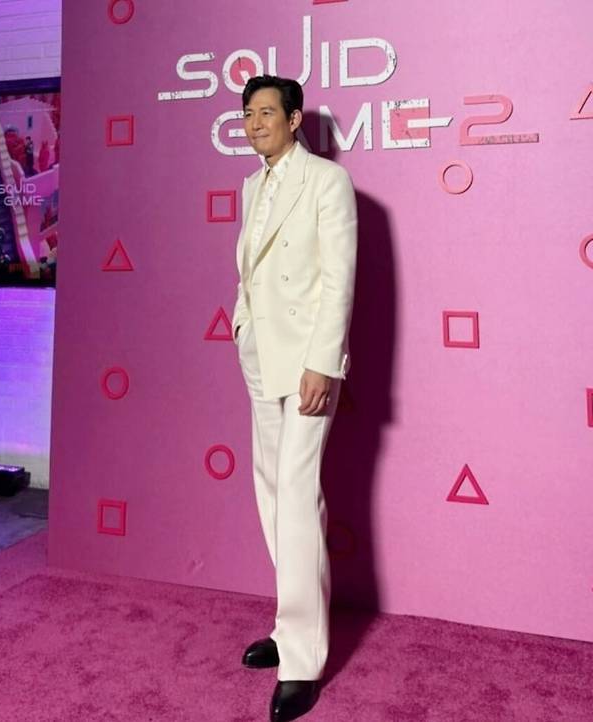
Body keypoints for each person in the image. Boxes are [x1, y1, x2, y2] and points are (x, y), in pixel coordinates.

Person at [232, 75, 357, 722]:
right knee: (272, 492)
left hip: (307, 361)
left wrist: (323, 363)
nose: (255, 123)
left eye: (266, 113)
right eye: (248, 114)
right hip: (260, 353)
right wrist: (241, 326)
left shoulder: (327, 181)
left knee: (297, 493)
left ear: (295, 118)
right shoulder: (250, 185)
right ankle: (289, 627)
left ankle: (303, 661)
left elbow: (339, 279)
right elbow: (249, 272)